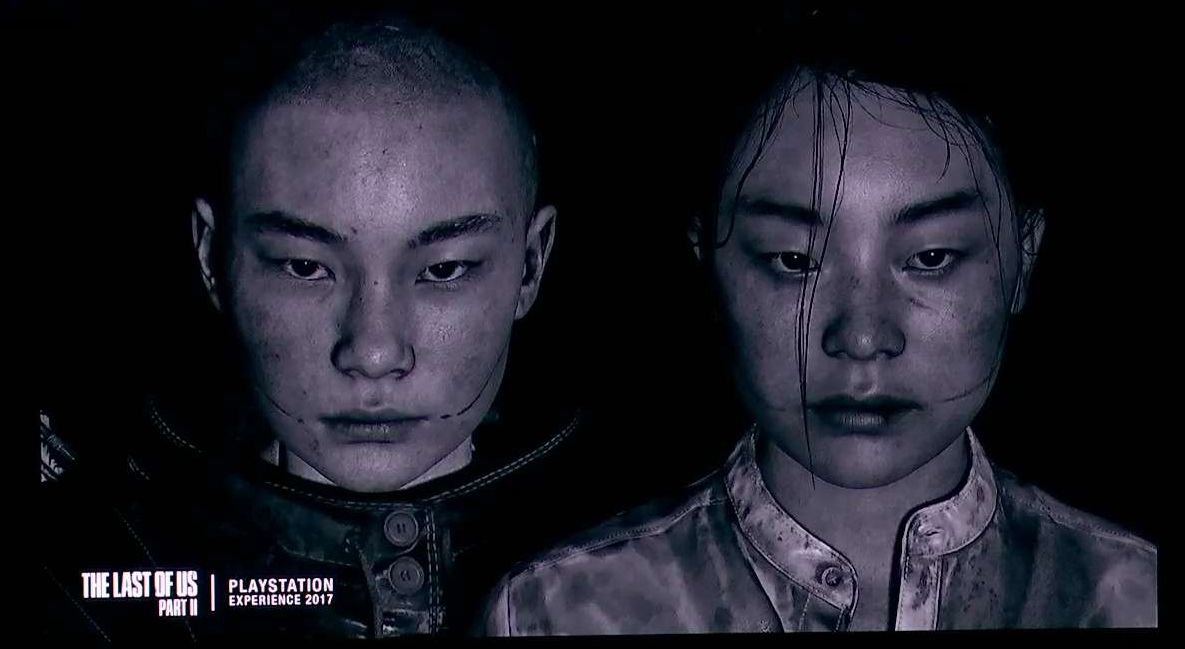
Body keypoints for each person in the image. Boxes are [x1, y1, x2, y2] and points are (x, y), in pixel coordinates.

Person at [480, 7, 1158, 633]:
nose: (861, 337)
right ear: (707, 260)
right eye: (794, 260)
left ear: (1024, 258)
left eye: (929, 257)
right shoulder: (555, 612)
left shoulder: (1132, 596)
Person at [39, 9, 612, 639]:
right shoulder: (83, 569)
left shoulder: (651, 560)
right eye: (305, 267)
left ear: (531, 266)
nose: (373, 352)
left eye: (444, 270)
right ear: (212, 258)